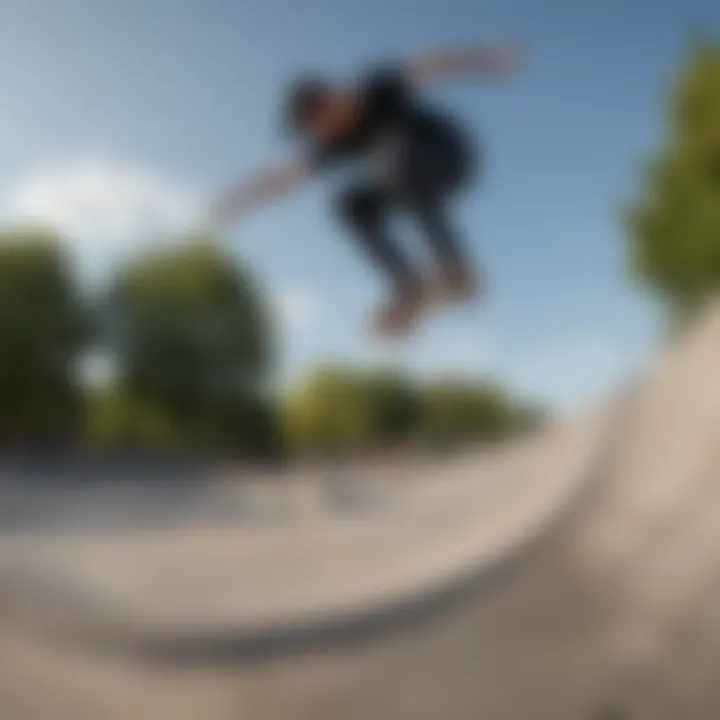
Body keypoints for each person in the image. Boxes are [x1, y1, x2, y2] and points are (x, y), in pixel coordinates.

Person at [210, 43, 521, 337]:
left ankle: (455, 270)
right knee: (348, 205)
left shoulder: (375, 89)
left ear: (327, 102)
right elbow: (286, 176)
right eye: (313, 131)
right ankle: (409, 287)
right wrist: (238, 200)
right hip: (406, 182)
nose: (319, 134)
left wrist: (485, 59)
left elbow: (430, 64)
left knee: (393, 156)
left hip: (446, 155)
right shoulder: (334, 142)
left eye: (317, 124)